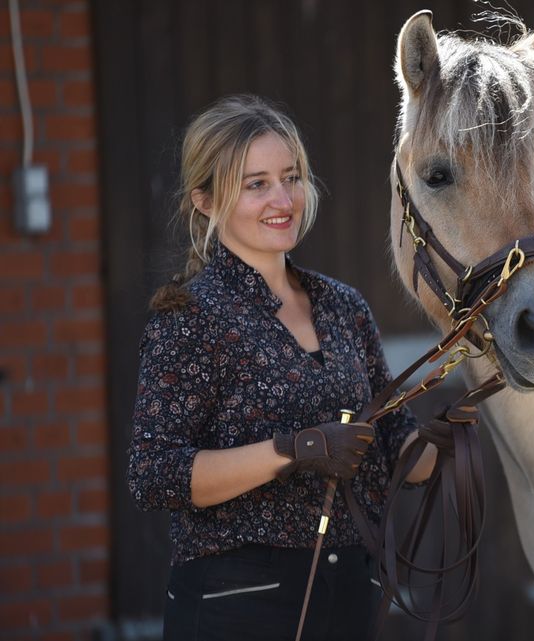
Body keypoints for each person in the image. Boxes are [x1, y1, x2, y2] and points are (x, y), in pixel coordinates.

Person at [127, 94, 439, 641]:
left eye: (291, 177)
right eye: (256, 184)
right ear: (204, 200)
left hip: (349, 595)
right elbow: (155, 474)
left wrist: (447, 438)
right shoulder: (189, 317)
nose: (283, 198)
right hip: (237, 604)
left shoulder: (344, 307)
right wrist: (294, 450)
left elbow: (397, 448)